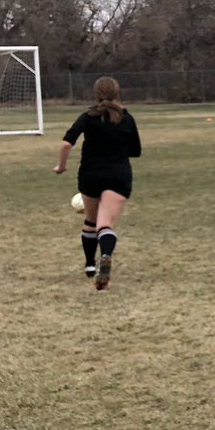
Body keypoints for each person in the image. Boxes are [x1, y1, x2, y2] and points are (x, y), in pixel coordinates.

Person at [54, 77, 142, 289]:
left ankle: (89, 265)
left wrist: (61, 166)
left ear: (96, 94)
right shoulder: (126, 118)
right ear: (117, 93)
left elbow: (67, 143)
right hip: (118, 176)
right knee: (105, 225)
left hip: (91, 175)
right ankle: (105, 255)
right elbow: (136, 151)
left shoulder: (88, 116)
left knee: (91, 222)